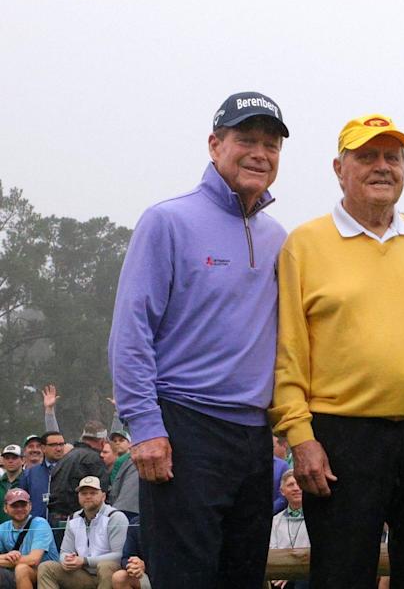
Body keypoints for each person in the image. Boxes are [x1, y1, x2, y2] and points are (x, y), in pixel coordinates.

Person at [107, 91, 289, 588]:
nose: (259, 153)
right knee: (186, 578)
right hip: (184, 428)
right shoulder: (168, 220)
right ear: (215, 145)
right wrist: (144, 426)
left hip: (253, 439)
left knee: (242, 576)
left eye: (271, 144)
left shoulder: (279, 237)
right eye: (246, 140)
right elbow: (130, 331)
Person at [271, 113, 404, 588]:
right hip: (341, 439)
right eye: (367, 156)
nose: (382, 167)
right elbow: (287, 353)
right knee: (341, 575)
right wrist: (300, 437)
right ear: (339, 168)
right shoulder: (304, 245)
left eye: (392, 157)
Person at [37, 477, 128, 589]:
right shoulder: (74, 518)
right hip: (83, 574)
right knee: (46, 567)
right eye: (83, 493)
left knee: (106, 566)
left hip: (111, 575)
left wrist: (85, 561)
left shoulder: (115, 517)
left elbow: (119, 555)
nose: (88, 496)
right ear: (79, 497)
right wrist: (67, 560)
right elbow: (64, 551)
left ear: (103, 496)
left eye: (93, 493)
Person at [47, 422, 110, 530]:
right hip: (78, 521)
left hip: (55, 518)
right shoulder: (94, 459)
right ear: (102, 441)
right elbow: (101, 491)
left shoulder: (65, 458)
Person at [0, 489, 59, 589]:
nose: (19, 509)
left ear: (30, 506)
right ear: (5, 508)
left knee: (21, 569)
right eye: (14, 505)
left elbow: (33, 560)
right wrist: (7, 555)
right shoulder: (3, 528)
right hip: (17, 574)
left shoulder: (41, 523)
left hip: (47, 574)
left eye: (23, 505)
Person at [268, 471, 308, 589]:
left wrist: (291, 573)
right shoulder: (275, 521)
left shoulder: (318, 518)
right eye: (290, 485)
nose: (296, 488)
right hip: (279, 574)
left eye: (299, 484)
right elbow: (272, 549)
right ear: (282, 491)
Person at [19, 432, 66, 520]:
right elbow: (21, 505)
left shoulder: (71, 472)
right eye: (54, 445)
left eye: (61, 444)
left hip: (65, 529)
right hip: (37, 529)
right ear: (43, 448)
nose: (59, 449)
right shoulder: (29, 474)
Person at [110, 515, 150, 589]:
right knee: (120, 578)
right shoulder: (136, 522)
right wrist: (134, 565)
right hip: (147, 574)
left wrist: (146, 565)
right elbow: (126, 557)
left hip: (172, 576)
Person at [0, 447, 24, 525]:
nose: (10, 461)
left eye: (14, 458)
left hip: (23, 530)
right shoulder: (1, 482)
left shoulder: (29, 482)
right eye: (7, 458)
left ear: (22, 460)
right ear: (2, 461)